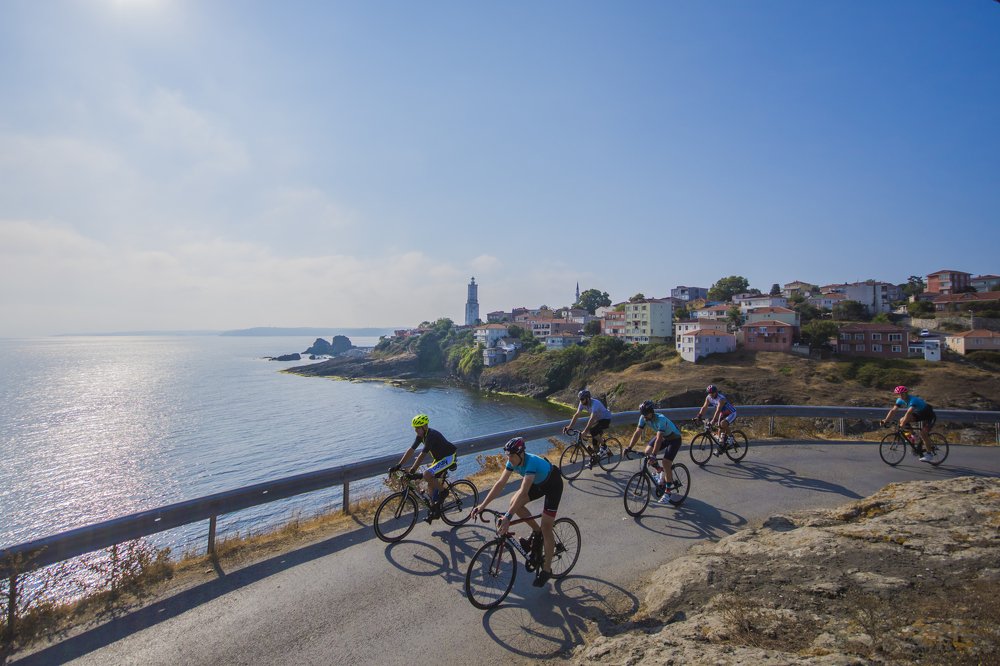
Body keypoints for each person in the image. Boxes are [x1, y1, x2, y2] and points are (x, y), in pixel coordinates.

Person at [471, 437, 564, 587]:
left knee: (546, 527)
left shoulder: (531, 462)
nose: (510, 459)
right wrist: (482, 505)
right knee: (514, 504)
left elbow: (524, 491)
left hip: (553, 484)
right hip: (538, 484)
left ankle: (547, 570)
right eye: (508, 456)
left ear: (521, 454)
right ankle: (537, 531)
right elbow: (500, 484)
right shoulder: (512, 461)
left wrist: (508, 517)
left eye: (512, 456)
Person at [389, 414, 458, 520]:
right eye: (415, 428)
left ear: (425, 427)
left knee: (427, 474)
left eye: (418, 428)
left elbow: (422, 455)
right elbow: (411, 450)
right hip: (439, 459)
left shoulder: (431, 435)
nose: (416, 430)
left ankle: (444, 492)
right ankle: (434, 509)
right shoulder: (421, 436)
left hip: (448, 457)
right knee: (430, 483)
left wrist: (412, 471)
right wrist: (399, 465)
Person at [625, 400, 684, 502]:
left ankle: (668, 492)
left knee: (666, 462)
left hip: (674, 439)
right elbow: (638, 432)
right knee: (647, 452)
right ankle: (659, 470)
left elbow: (659, 439)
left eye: (646, 414)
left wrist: (654, 455)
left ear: (651, 412)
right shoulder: (643, 417)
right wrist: (629, 447)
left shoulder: (661, 419)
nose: (644, 416)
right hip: (664, 437)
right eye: (642, 414)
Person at [880, 386, 938, 462]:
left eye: (902, 394)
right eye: (898, 394)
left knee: (923, 433)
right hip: (919, 414)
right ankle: (914, 435)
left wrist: (902, 425)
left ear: (906, 393)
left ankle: (929, 454)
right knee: (902, 420)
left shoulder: (913, 400)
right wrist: (886, 420)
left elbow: (909, 413)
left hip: (928, 416)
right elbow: (893, 411)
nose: (900, 396)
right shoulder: (899, 400)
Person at [563, 389, 613, 465]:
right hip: (598, 419)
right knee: (594, 441)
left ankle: (604, 447)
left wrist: (585, 432)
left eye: (582, 399)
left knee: (592, 431)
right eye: (580, 399)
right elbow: (576, 415)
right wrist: (569, 427)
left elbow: (592, 418)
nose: (581, 401)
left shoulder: (595, 403)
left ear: (588, 398)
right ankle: (600, 455)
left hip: (605, 419)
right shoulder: (582, 403)